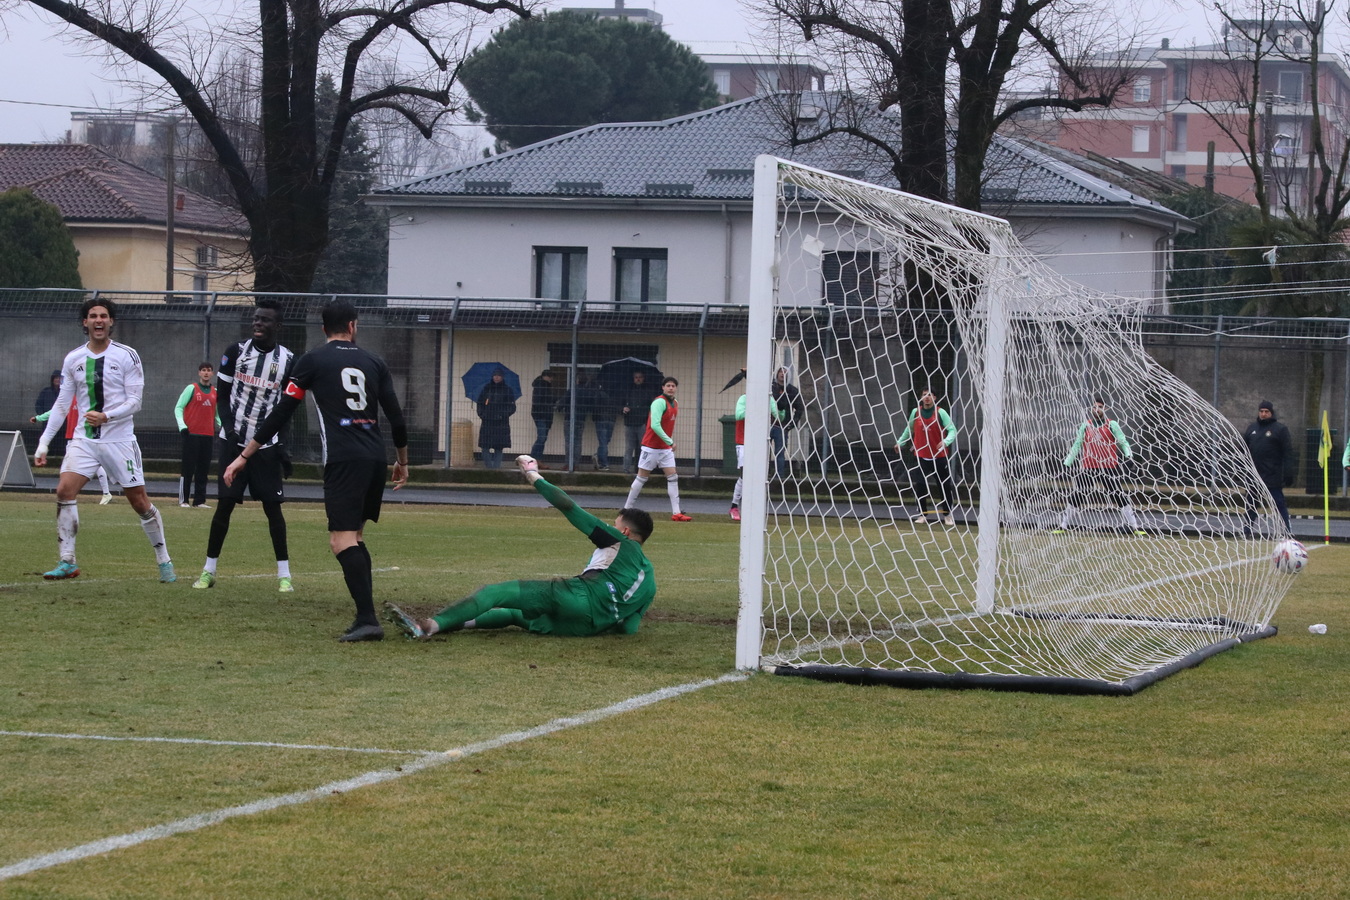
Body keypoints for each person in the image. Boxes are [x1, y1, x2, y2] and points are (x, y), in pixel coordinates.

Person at [224, 299, 408, 642]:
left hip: (343, 459)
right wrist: (403, 460)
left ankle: (368, 619)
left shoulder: (312, 361)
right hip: (374, 458)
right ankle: (365, 615)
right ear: (353, 326)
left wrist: (244, 455)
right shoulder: (374, 361)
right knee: (356, 537)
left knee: (341, 541)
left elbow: (281, 412)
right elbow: (396, 417)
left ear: (324, 329)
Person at [386, 454, 655, 639]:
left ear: (626, 531)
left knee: (495, 592)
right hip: (585, 627)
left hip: (579, 597)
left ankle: (428, 626)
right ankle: (451, 624)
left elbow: (568, 507)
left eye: (615, 523)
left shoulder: (618, 541)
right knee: (515, 614)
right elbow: (628, 629)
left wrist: (532, 474)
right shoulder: (650, 580)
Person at [33, 299, 175, 582]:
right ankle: (67, 562)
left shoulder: (127, 355)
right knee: (64, 491)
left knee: (140, 503)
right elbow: (63, 404)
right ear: (84, 323)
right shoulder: (73, 359)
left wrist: (107, 416)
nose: (99, 321)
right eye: (93, 316)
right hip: (84, 440)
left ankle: (164, 561)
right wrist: (44, 443)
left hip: (119, 440)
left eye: (104, 316)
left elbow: (136, 401)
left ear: (111, 322)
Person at [193, 299, 297, 593]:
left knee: (273, 509)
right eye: (255, 319)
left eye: (264, 320)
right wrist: (229, 432)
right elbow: (222, 397)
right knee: (224, 506)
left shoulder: (288, 360)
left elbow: (287, 409)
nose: (258, 324)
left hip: (266, 446)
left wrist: (283, 447)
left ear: (277, 326)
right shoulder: (235, 352)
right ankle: (208, 571)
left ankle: (284, 575)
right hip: (233, 441)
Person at [1053, 396, 1142, 534]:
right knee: (1078, 495)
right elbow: (1077, 444)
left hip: (1108, 466)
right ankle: (1063, 526)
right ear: (1091, 409)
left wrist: (1129, 456)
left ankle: (1135, 527)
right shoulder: (1086, 425)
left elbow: (1122, 441)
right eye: (1094, 407)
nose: (1097, 409)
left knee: (1118, 495)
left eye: (1100, 407)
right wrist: (1067, 462)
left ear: (1104, 409)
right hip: (1089, 466)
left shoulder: (1112, 424)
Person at [624, 376, 691, 521]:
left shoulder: (675, 403)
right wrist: (670, 441)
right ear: (663, 387)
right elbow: (655, 425)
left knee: (673, 477)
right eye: (668, 385)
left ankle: (676, 513)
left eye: (673, 386)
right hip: (651, 447)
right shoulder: (659, 402)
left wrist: (667, 443)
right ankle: (626, 510)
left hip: (665, 449)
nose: (671, 388)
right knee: (642, 478)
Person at [894, 388, 959, 526]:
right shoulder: (915, 412)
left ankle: (947, 515)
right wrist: (900, 442)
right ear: (921, 397)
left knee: (944, 486)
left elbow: (952, 430)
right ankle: (922, 515)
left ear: (935, 398)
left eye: (930, 395)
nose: (927, 397)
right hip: (921, 456)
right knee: (921, 485)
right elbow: (909, 429)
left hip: (939, 456)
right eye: (924, 395)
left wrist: (945, 442)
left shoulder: (941, 413)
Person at [30, 400, 112, 504]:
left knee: (89, 465)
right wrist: (39, 418)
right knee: (89, 465)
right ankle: (105, 493)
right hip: (73, 437)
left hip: (85, 437)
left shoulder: (88, 397)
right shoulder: (70, 397)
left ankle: (105, 493)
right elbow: (55, 411)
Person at [729, 389, 786, 521]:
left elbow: (779, 417)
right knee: (745, 475)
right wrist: (756, 408)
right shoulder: (744, 398)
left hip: (759, 442)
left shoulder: (769, 399)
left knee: (759, 476)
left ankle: (753, 508)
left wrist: (782, 409)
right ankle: (734, 506)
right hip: (743, 442)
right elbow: (739, 415)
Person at [174, 362, 220, 509]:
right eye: (203, 370)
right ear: (199, 373)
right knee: (188, 468)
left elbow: (217, 414)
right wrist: (182, 426)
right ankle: (184, 500)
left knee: (203, 469)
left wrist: (224, 428)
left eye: (209, 370)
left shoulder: (215, 392)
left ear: (212, 373)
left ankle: (199, 501)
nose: (206, 373)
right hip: (191, 435)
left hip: (207, 435)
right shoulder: (191, 389)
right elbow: (179, 407)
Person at [1244, 399, 1294, 530]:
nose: (1263, 414)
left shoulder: (1280, 429)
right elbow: (1243, 450)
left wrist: (1289, 473)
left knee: (1278, 504)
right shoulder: (1252, 428)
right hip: (1254, 475)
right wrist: (1240, 469)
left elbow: (1288, 452)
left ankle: (1286, 531)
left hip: (1272, 475)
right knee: (1251, 505)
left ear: (1271, 413)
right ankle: (1246, 531)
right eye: (1261, 411)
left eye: (1266, 411)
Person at [475, 368, 516, 469]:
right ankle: (490, 469)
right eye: (495, 375)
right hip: (487, 422)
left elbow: (512, 407)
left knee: (499, 448)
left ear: (502, 377)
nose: (496, 377)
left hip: (501, 423)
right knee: (485, 447)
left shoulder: (507, 390)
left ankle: (496, 469)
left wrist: (502, 415)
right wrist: (482, 415)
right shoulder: (486, 388)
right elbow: (480, 404)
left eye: (499, 375)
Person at [620, 369, 659, 474]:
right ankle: (626, 469)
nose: (638, 379)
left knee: (643, 448)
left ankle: (642, 469)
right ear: (633, 379)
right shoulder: (628, 390)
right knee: (629, 448)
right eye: (636, 377)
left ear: (643, 378)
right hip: (629, 423)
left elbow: (652, 406)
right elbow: (620, 404)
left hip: (642, 423)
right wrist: (623, 409)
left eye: (640, 377)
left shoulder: (648, 391)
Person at [771, 367, 806, 478]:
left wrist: (792, 424)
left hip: (781, 427)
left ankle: (779, 478)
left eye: (785, 372)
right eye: (780, 371)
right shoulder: (770, 388)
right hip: (766, 426)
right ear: (776, 374)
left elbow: (800, 408)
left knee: (780, 453)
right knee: (763, 452)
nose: (782, 374)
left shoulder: (792, 391)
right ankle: (762, 474)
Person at [528, 369, 560, 459]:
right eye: (550, 377)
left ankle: (537, 459)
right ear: (545, 376)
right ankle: (534, 458)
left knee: (542, 438)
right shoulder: (542, 386)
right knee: (542, 438)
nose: (552, 379)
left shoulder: (543, 385)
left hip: (542, 414)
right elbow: (543, 400)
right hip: (542, 415)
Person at [34, 369, 66, 459]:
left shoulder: (65, 393)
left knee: (61, 441)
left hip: (63, 423)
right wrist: (42, 416)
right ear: (52, 379)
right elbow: (38, 405)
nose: (57, 380)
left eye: (59, 378)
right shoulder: (45, 391)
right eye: (56, 378)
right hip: (47, 422)